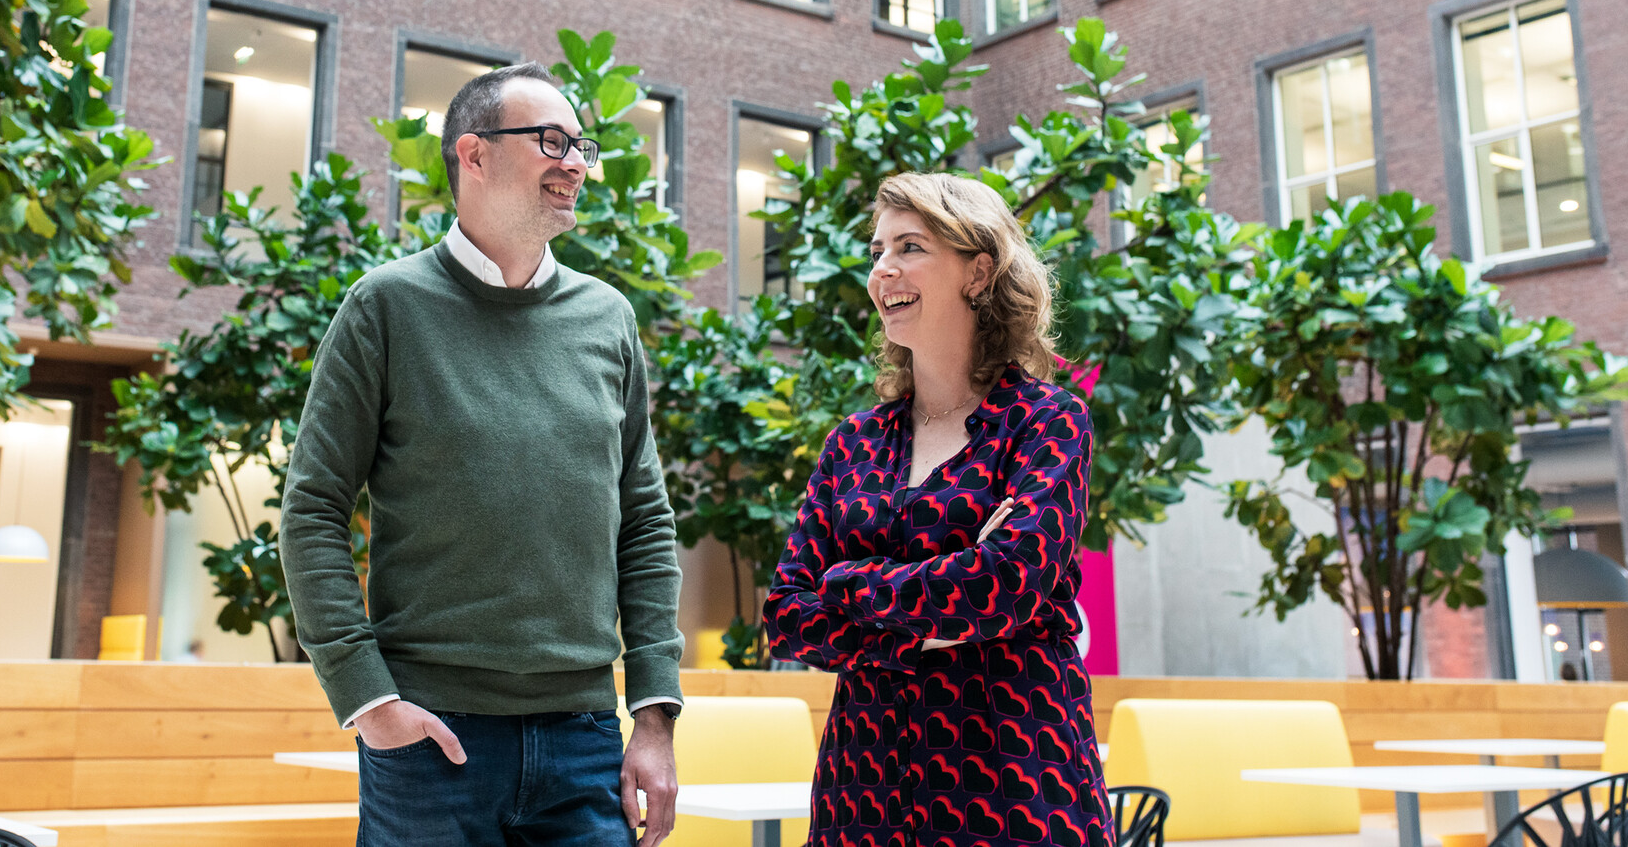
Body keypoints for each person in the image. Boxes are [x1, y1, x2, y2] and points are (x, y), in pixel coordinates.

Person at [280, 62, 684, 847]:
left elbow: (645, 523)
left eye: (582, 145)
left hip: (585, 740)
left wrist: (654, 715)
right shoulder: (385, 307)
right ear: (473, 154)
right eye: (552, 141)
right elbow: (312, 509)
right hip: (432, 740)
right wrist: (369, 699)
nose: (576, 162)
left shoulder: (609, 318)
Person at [763, 172, 1114, 847]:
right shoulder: (853, 442)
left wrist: (847, 583)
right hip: (862, 793)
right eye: (877, 249)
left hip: (1015, 787)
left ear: (978, 270)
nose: (883, 268)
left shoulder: (1047, 424)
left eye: (910, 246)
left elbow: (1001, 585)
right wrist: (929, 611)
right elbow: (786, 613)